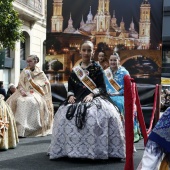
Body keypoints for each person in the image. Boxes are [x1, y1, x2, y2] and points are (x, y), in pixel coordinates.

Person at [48, 40, 125, 160]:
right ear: (80, 51)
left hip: (94, 98)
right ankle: (68, 150)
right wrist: (70, 96)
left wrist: (91, 95)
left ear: (93, 52)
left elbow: (102, 88)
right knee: (62, 116)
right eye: (84, 50)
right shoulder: (75, 71)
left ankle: (97, 150)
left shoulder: (97, 68)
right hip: (77, 99)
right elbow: (71, 87)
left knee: (102, 116)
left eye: (89, 50)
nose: (86, 52)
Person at [7, 55, 53, 137]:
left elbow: (46, 83)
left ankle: (29, 128)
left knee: (29, 102)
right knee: (12, 101)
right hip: (23, 92)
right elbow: (20, 84)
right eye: (27, 61)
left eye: (30, 61)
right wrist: (22, 91)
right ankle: (16, 128)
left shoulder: (40, 73)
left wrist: (39, 86)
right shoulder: (24, 71)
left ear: (35, 61)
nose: (28, 63)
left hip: (37, 93)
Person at [104, 53, 141, 142]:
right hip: (107, 95)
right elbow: (102, 85)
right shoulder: (105, 72)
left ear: (119, 61)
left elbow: (127, 88)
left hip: (121, 96)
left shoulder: (124, 73)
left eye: (115, 60)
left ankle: (122, 132)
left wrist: (117, 93)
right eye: (111, 60)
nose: (112, 62)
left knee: (119, 104)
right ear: (109, 61)